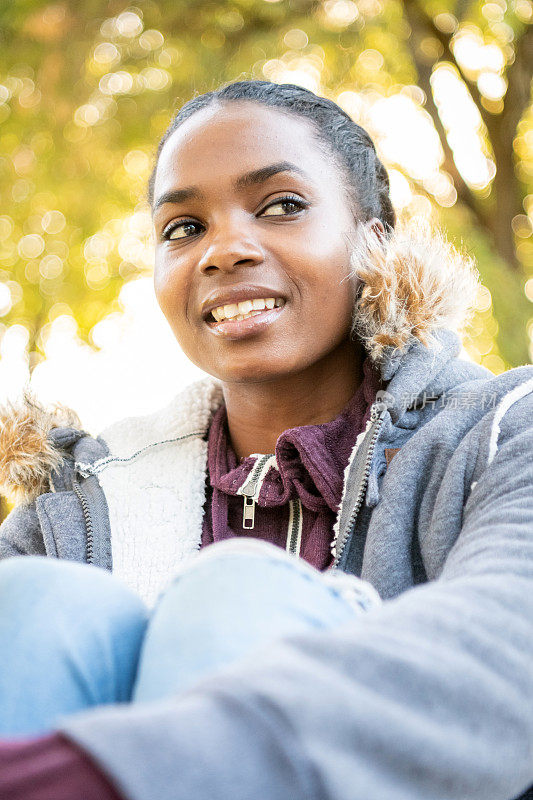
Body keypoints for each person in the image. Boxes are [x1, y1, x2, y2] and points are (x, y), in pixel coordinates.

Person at [0, 79, 532, 800]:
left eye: (281, 206)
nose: (223, 250)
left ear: (374, 240)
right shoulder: (75, 507)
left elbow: (506, 653)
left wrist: (140, 764)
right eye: (182, 228)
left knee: (234, 596)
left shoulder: (503, 430)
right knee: (34, 603)